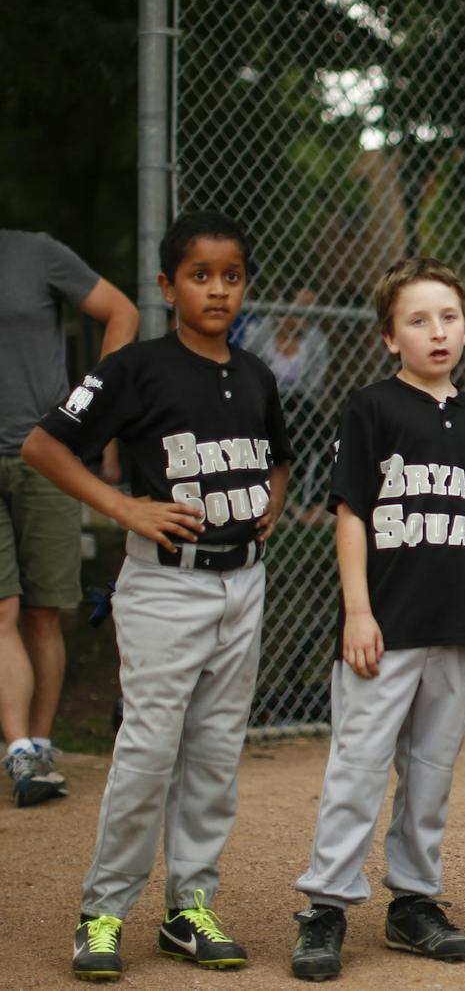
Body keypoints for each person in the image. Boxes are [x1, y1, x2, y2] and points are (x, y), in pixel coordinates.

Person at [22, 211, 291, 979]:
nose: (217, 289)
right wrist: (123, 507)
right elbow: (45, 445)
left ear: (245, 286)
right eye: (200, 276)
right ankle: (103, 912)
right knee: (148, 754)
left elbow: (279, 456)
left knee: (212, 757)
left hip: (243, 583)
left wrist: (270, 501)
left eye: (231, 276)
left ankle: (188, 908)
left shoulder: (257, 374)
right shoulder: (134, 367)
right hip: (166, 586)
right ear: (168, 285)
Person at [291, 257, 465, 981]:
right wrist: (358, 612)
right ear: (390, 337)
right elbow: (352, 514)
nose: (437, 331)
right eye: (418, 320)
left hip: (457, 628)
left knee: (430, 774)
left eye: (449, 317)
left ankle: (413, 904)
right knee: (358, 768)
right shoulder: (372, 407)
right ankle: (326, 906)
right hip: (384, 628)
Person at [1, 229, 138, 807]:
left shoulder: (35, 252)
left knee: (42, 611)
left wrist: (89, 408)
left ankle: (41, 742)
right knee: (1, 607)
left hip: (47, 455)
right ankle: (20, 751)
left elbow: (121, 313)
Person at [245, 287, 332, 523]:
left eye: (311, 310)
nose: (307, 315)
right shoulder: (260, 333)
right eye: (301, 307)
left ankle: (309, 504)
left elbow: (315, 384)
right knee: (289, 430)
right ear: (284, 307)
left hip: (301, 400)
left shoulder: (315, 340)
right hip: (263, 400)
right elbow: (247, 371)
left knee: (321, 435)